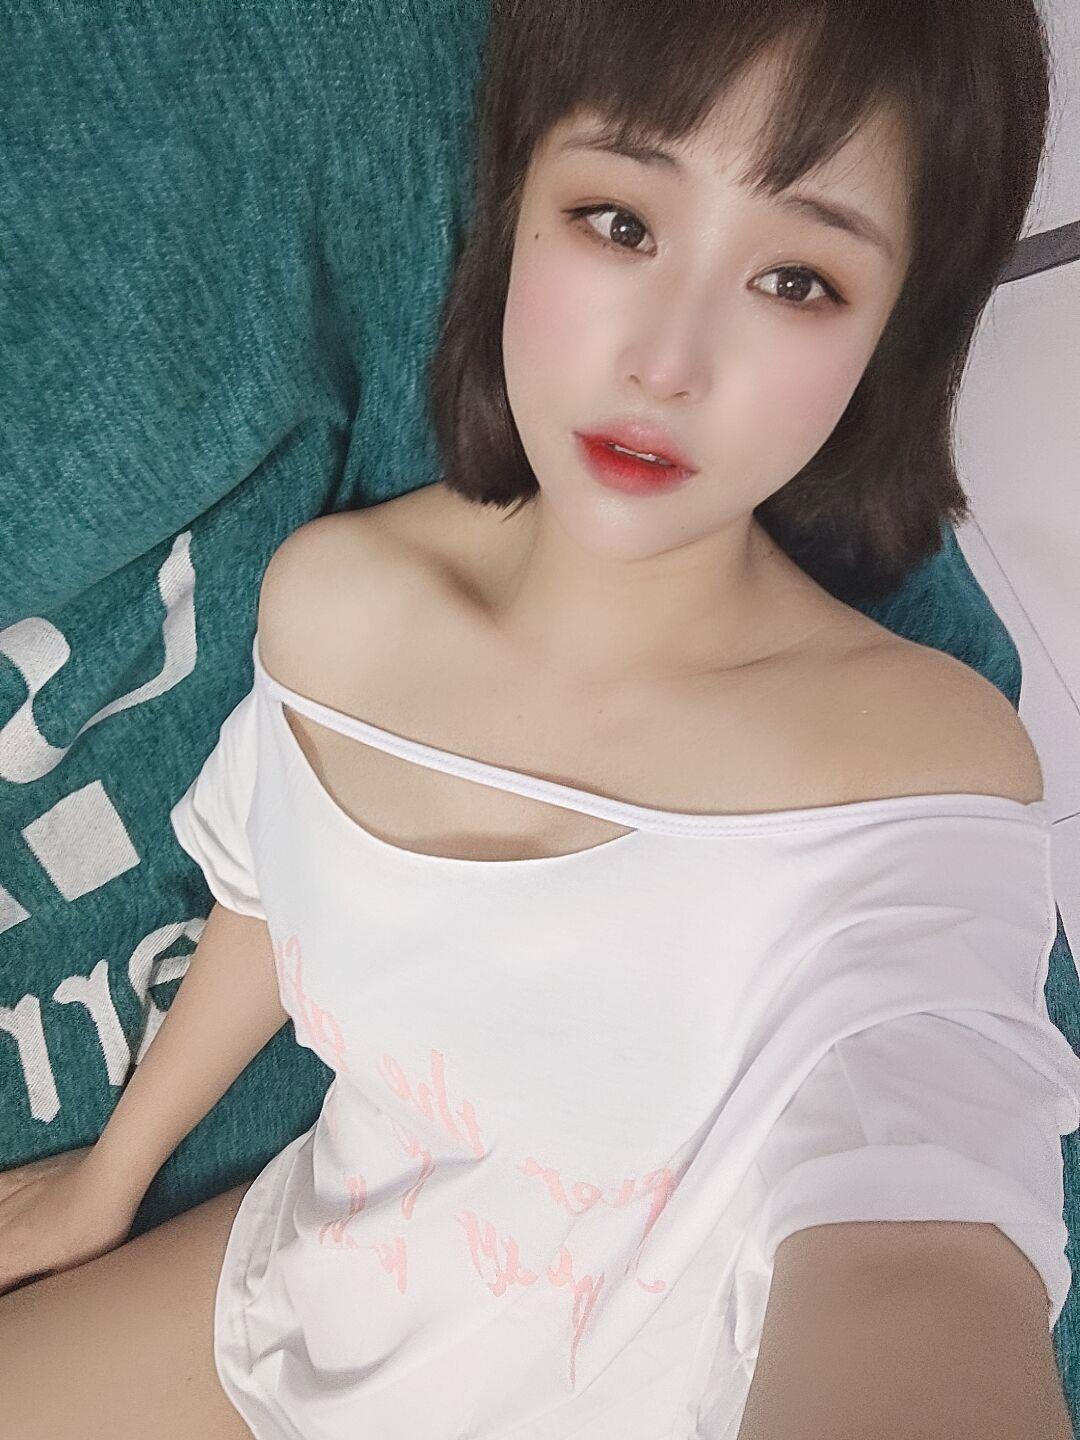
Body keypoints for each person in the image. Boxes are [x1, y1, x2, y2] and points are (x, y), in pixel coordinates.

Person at [1, 2, 1078, 1438]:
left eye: (797, 280)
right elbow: (268, 880)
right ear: (514, 201)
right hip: (312, 1292)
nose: (667, 361)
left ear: (896, 337)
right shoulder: (341, 604)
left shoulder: (910, 775)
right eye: (620, 223)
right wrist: (107, 1179)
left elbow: (922, 1244)